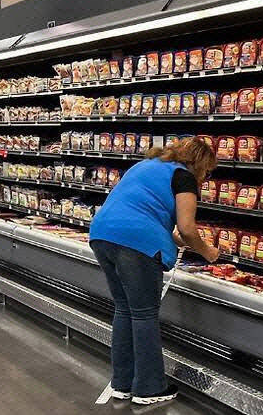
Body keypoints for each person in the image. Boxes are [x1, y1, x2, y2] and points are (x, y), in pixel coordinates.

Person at [89, 137, 219, 405]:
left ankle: (122, 383)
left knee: (125, 309)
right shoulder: (184, 177)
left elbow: (143, 213)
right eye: (207, 172)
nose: (205, 178)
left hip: (102, 234)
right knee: (144, 314)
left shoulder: (146, 165)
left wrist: (177, 240)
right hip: (135, 243)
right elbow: (187, 228)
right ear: (199, 164)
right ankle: (149, 388)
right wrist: (208, 251)